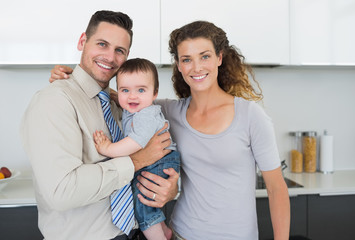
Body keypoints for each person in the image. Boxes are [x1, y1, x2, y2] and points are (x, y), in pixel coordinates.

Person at [50, 20, 290, 240]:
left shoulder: (250, 116)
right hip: (180, 233)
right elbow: (125, 96)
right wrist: (74, 79)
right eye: (186, 59)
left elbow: (277, 188)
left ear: (219, 57)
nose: (196, 67)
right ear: (179, 65)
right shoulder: (168, 112)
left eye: (204, 56)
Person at [20, 10, 179, 240]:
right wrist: (137, 161)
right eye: (102, 44)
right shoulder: (54, 101)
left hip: (132, 232)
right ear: (82, 41)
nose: (110, 57)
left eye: (119, 51)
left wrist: (168, 189)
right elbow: (61, 192)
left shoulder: (121, 103)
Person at [93, 58, 180, 240]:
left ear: (155, 93)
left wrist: (108, 148)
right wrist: (118, 96)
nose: (132, 96)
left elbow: (134, 143)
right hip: (158, 160)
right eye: (126, 90)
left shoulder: (145, 115)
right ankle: (164, 231)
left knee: (144, 206)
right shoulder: (135, 109)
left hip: (160, 160)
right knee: (145, 201)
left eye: (141, 90)